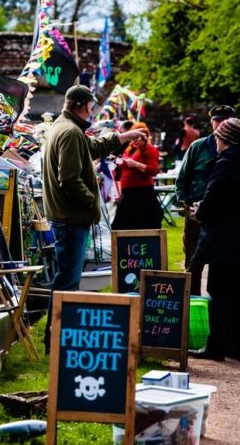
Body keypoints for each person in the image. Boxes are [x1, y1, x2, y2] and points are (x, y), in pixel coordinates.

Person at [41, 85, 145, 352]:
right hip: (70, 217)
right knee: (68, 281)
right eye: (91, 106)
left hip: (66, 216)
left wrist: (124, 136)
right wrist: (92, 201)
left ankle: (55, 338)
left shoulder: (65, 127)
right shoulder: (70, 132)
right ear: (85, 105)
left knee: (66, 279)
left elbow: (93, 147)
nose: (93, 110)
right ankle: (56, 340)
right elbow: (69, 179)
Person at [188, 118, 240, 362]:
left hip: (224, 238)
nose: (216, 142)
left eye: (218, 138)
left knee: (218, 291)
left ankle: (217, 347)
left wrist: (198, 212)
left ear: (225, 141)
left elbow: (213, 200)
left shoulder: (226, 165)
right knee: (239, 292)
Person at [175, 104, 236, 295]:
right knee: (193, 261)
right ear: (211, 123)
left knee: (224, 263)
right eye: (217, 120)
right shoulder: (198, 147)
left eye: (225, 120)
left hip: (226, 215)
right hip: (197, 214)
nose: (220, 124)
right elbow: (182, 178)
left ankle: (220, 303)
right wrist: (186, 204)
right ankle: (193, 301)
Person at [111, 122, 163, 230]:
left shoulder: (150, 149)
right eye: (133, 138)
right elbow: (123, 167)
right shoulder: (129, 150)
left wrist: (136, 164)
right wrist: (114, 161)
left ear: (144, 138)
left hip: (142, 192)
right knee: (121, 225)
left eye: (137, 138)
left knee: (142, 224)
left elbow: (153, 170)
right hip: (127, 193)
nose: (134, 140)